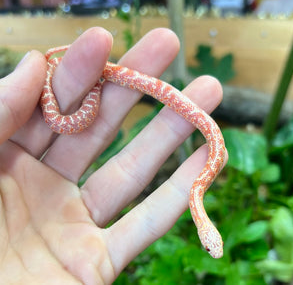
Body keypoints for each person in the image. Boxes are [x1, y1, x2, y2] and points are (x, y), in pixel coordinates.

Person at [0, 27, 224, 284]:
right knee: (65, 112)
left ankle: (89, 78)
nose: (211, 250)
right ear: (207, 230)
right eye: (210, 247)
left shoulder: (197, 193)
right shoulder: (197, 192)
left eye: (209, 247)